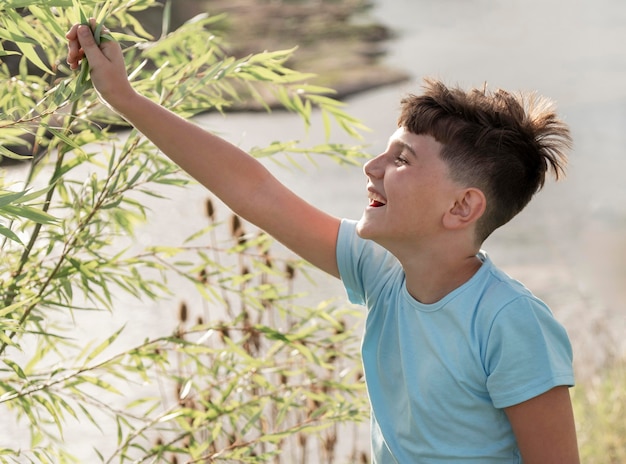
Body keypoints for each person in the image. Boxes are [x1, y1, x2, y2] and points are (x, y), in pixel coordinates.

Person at [66, 21, 580, 464]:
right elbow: (255, 190)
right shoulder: (381, 271)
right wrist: (124, 98)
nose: (370, 167)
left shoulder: (509, 322)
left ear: (462, 208)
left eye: (401, 160)